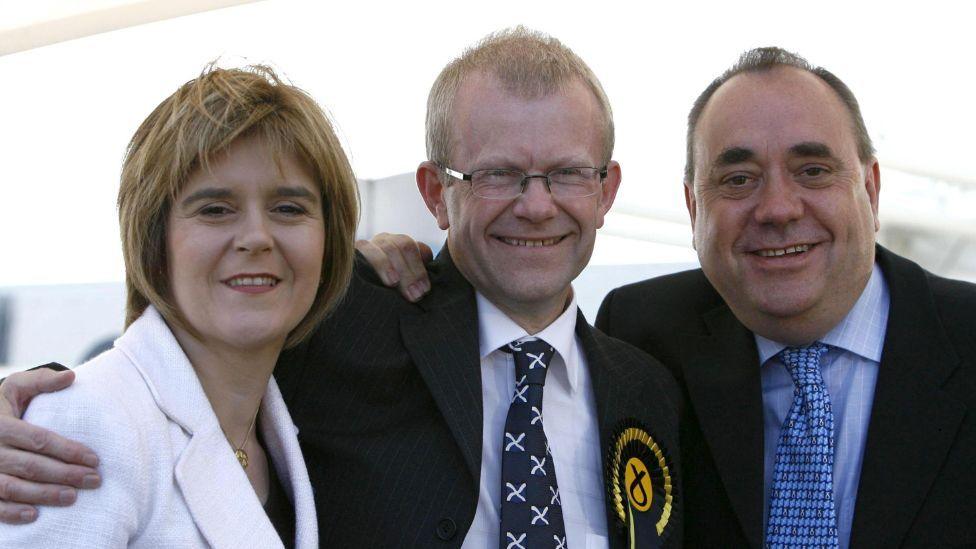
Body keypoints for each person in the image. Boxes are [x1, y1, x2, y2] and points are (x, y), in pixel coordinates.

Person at [0, 28, 683, 548]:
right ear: (436, 193)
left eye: (566, 173)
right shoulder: (344, 317)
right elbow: (169, 373)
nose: (536, 206)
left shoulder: (649, 387)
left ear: (606, 190)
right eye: (498, 174)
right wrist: (35, 403)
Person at [332, 47, 976, 547]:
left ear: (871, 186)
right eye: (738, 178)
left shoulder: (965, 340)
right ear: (694, 206)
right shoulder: (650, 336)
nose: (778, 208)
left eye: (813, 170)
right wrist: (347, 265)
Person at [0, 64, 360, 547]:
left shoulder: (275, 433)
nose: (256, 237)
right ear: (155, 241)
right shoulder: (88, 422)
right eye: (215, 209)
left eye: (289, 208)